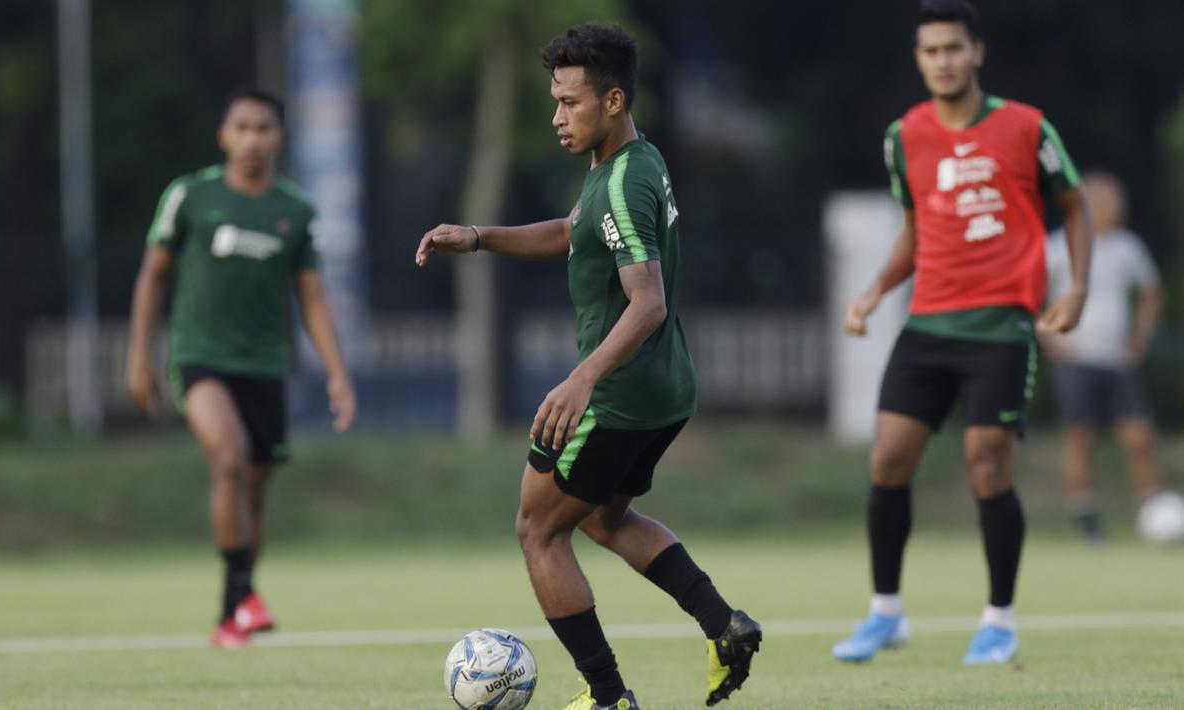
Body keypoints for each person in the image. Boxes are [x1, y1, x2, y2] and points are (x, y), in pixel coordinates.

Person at [416, 22, 760, 710]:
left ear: (611, 100)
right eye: (553, 100)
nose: (555, 116)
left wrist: (582, 378)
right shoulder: (633, 162)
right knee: (602, 520)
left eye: (569, 102)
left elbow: (647, 303)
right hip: (663, 388)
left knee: (537, 530)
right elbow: (570, 232)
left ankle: (607, 697)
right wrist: (479, 237)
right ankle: (724, 625)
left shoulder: (622, 185)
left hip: (619, 396)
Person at [834, 0, 1092, 665]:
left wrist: (1076, 288)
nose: (941, 61)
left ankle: (998, 621)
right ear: (917, 59)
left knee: (986, 466)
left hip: (1001, 323)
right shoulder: (905, 136)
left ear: (976, 53)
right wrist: (873, 291)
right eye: (929, 51)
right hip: (927, 323)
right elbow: (916, 230)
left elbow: (1074, 204)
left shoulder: (1025, 126)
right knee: (886, 460)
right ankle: (884, 613)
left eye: (952, 48)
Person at [126, 88, 356, 648]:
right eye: (243, 128)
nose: (253, 139)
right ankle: (244, 601)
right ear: (224, 136)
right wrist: (139, 357)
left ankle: (233, 612)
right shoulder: (191, 196)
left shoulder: (295, 211)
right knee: (227, 460)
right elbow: (153, 275)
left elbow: (313, 298)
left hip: (264, 366)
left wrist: (336, 372)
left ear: (278, 138)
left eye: (264, 129)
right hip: (201, 359)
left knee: (253, 492)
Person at [1044, 170, 1164, 541]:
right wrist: (1052, 340)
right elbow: (1032, 295)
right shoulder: (1058, 244)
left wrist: (1138, 342)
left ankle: (1152, 513)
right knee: (1081, 438)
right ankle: (1087, 520)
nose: (1119, 208)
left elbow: (1151, 293)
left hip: (1116, 359)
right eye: (1112, 201)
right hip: (1076, 360)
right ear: (1090, 203)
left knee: (1139, 436)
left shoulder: (1128, 247)